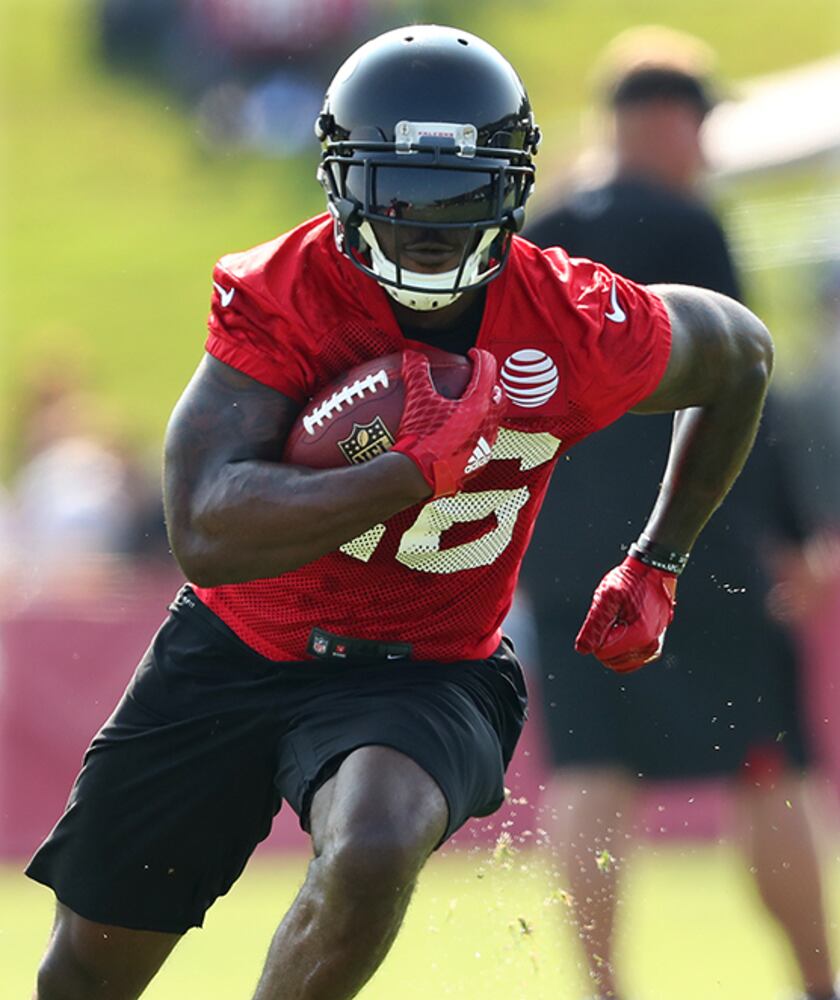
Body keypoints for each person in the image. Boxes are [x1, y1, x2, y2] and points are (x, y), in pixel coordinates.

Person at [26, 25, 774, 1000]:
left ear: (512, 191)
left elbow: (740, 356)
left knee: (375, 838)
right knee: (85, 970)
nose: (429, 224)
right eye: (401, 193)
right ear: (342, 183)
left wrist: (659, 559)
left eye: (459, 194)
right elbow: (202, 531)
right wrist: (403, 472)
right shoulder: (287, 293)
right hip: (236, 647)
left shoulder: (572, 321)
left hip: (430, 671)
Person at [522, 28, 837, 1000]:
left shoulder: (539, 233)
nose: (703, 147)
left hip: (566, 553)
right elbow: (741, 381)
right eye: (699, 123)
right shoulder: (691, 227)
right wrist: (792, 531)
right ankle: (819, 984)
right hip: (696, 542)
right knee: (762, 762)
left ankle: (605, 990)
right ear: (664, 119)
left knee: (589, 773)